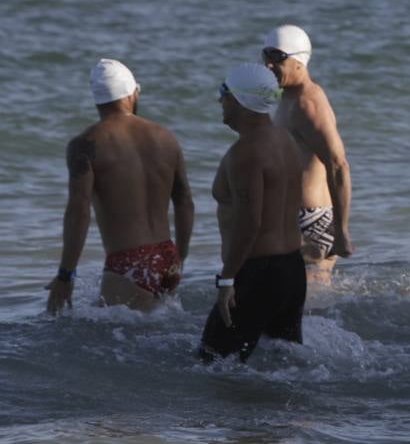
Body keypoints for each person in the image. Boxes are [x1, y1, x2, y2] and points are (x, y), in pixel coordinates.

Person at [46, 59, 194, 313]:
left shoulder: (85, 144)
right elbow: (184, 202)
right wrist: (180, 256)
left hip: (129, 263)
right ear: (132, 93)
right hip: (167, 255)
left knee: (118, 345)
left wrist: (65, 275)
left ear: (97, 100)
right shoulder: (166, 137)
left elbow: (79, 212)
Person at [199, 63, 306, 363]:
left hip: (257, 273)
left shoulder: (246, 153)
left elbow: (251, 222)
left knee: (212, 364)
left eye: (224, 92)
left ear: (240, 100)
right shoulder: (285, 141)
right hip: (292, 270)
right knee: (282, 364)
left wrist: (227, 279)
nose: (220, 100)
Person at [262, 25, 353, 282]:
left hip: (309, 220)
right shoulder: (290, 96)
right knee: (305, 306)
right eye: (265, 56)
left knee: (298, 303)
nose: (269, 64)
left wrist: (342, 230)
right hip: (300, 218)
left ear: (299, 60)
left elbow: (338, 165)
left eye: (277, 57)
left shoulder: (308, 102)